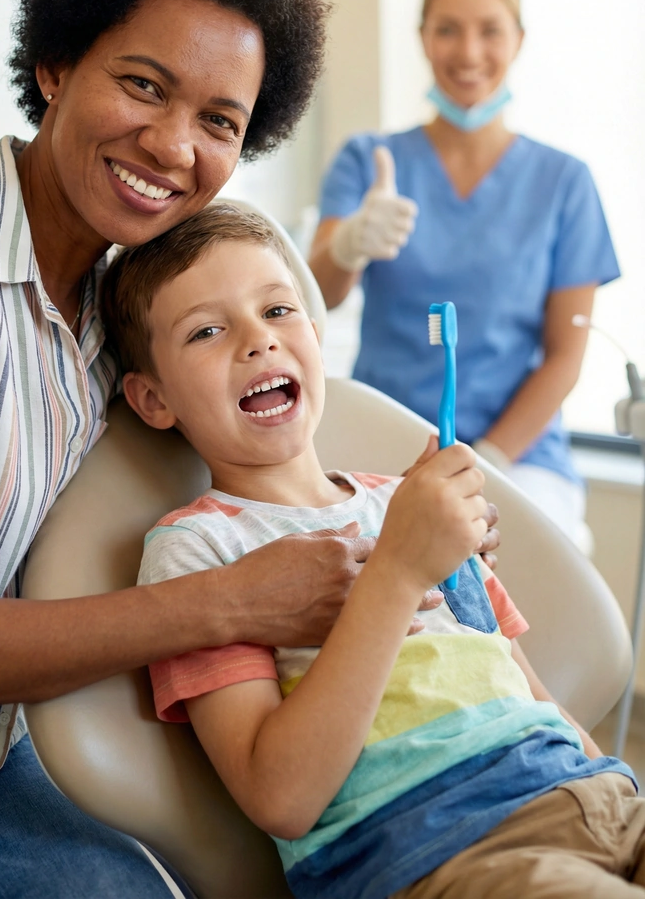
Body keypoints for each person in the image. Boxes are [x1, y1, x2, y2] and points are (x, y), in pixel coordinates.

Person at [0, 0, 415, 899]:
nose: (172, 146)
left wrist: (400, 541)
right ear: (56, 63)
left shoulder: (132, 320)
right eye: (145, 85)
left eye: (219, 121)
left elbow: (276, 374)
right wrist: (226, 601)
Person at [100, 202, 641, 899]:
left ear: (315, 336)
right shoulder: (197, 551)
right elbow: (281, 797)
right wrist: (398, 570)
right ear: (152, 399)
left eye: (277, 310)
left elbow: (524, 688)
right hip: (446, 850)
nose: (259, 341)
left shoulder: (408, 503)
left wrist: (615, 785)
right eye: (207, 330)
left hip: (594, 796)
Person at [309, 0, 620, 550]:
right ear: (423, 37)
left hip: (518, 457)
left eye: (490, 30)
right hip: (381, 444)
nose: (469, 51)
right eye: (448, 29)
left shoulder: (564, 182)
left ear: (519, 39)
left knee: (518, 572)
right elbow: (314, 297)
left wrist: (490, 464)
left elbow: (564, 357)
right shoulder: (370, 161)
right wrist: (348, 243)